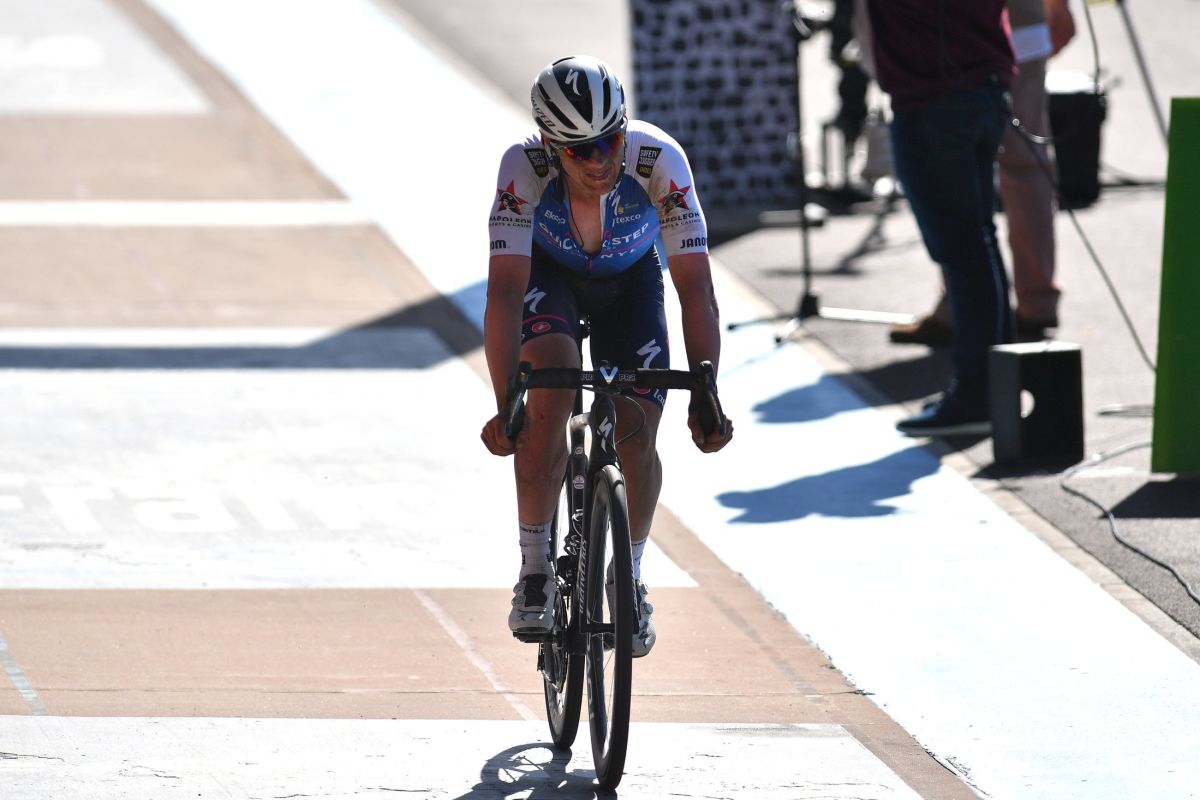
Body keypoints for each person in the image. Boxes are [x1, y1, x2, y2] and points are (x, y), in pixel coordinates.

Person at [480, 56, 733, 657]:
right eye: (580, 150)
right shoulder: (523, 168)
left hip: (630, 284)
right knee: (548, 397)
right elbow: (506, 293)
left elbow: (695, 288)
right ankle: (535, 568)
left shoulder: (658, 160)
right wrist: (507, 402)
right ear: (551, 146)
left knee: (637, 431)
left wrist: (707, 390)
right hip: (551, 279)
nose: (599, 160)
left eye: (609, 141)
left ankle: (630, 575)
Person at [863, 0, 1016, 437]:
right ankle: (996, 386)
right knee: (978, 243)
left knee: (966, 252)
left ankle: (978, 393)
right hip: (980, 85)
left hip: (937, 97)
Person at [889, 0, 1076, 346]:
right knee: (1022, 166)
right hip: (1002, 32)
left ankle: (968, 308)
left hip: (964, 43)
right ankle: (1034, 299)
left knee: (964, 175)